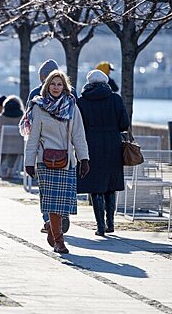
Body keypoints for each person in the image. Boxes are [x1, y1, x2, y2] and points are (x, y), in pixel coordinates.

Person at [21, 70, 90, 253]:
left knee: (63, 202)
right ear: (47, 86)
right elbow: (33, 136)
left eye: (59, 84)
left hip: (66, 160)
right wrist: (29, 162)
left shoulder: (72, 107)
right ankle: (59, 241)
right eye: (53, 84)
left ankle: (53, 233)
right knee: (52, 202)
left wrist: (84, 159)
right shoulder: (38, 106)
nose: (56, 87)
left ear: (64, 87)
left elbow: (78, 135)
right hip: (45, 161)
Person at [77, 69, 130, 236]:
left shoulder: (82, 101)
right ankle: (111, 223)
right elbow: (124, 124)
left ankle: (100, 226)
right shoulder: (115, 99)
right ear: (106, 82)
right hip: (113, 145)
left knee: (95, 186)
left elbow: (78, 127)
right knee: (110, 185)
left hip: (91, 145)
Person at [27, 59, 75, 233]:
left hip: (45, 150)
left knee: (46, 189)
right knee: (59, 188)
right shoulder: (72, 95)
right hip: (64, 149)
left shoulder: (35, 94)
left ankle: (49, 220)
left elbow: (29, 122)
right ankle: (58, 219)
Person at [0, 96, 24, 179]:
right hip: (19, 148)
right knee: (13, 153)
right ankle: (11, 170)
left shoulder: (0, 118)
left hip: (2, 148)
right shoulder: (23, 118)